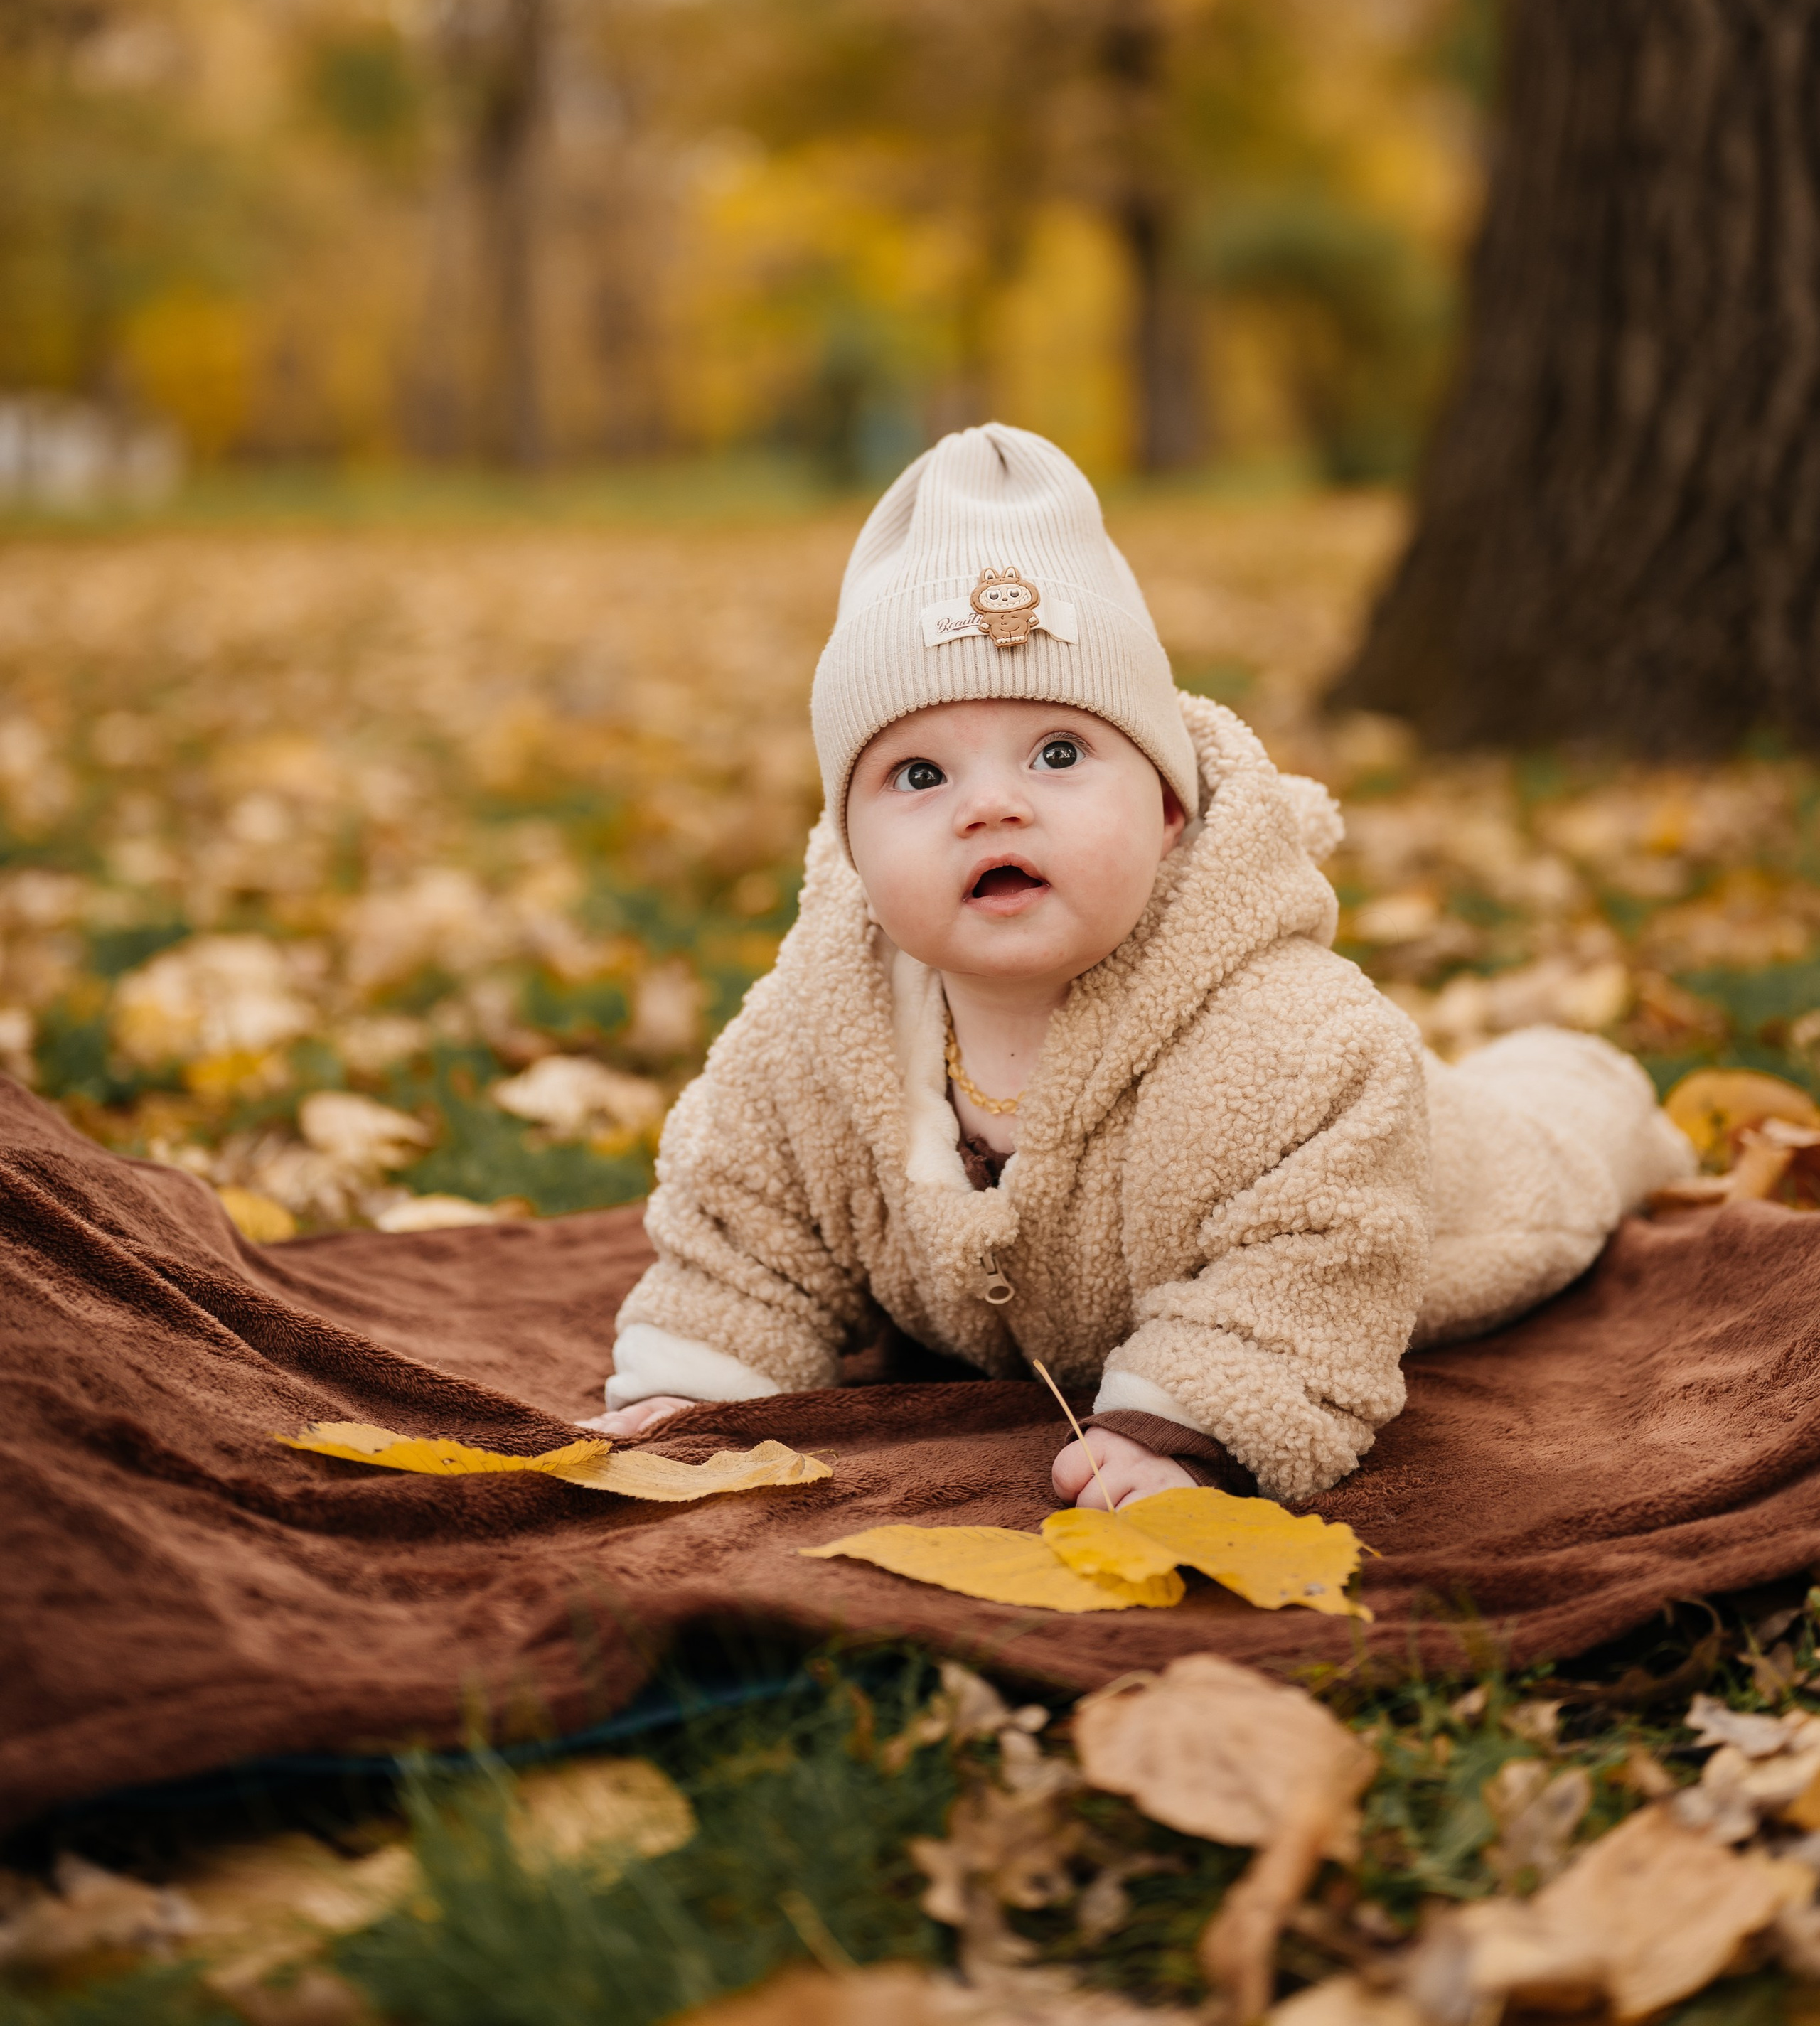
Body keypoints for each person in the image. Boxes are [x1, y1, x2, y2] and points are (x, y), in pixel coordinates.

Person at [593, 424, 1691, 1509]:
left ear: (1169, 808)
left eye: (1059, 754)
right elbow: (745, 1225)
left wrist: (1190, 1415)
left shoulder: (1301, 1044)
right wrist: (699, 1381)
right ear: (848, 846)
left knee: (1561, 1142)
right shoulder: (806, 1041)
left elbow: (1316, 1258)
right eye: (919, 774)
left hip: (1452, 1196)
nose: (992, 804)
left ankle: (1594, 1084)